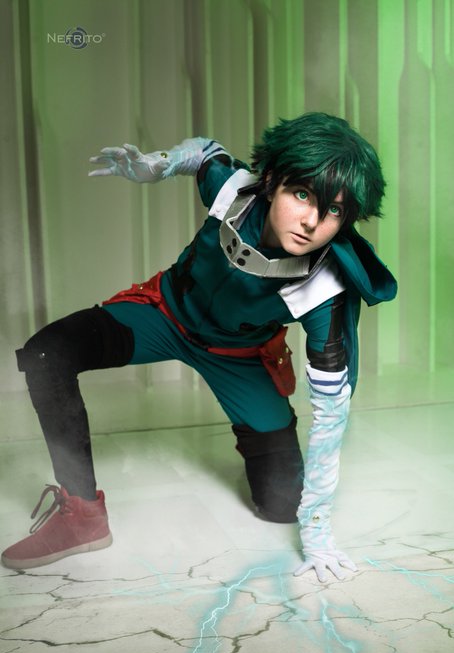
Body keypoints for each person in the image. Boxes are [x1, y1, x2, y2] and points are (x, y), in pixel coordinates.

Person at [1, 112, 397, 582]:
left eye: (333, 211)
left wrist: (316, 530)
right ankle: (82, 516)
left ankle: (275, 471)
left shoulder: (327, 289)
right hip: (165, 315)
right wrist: (162, 162)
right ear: (272, 181)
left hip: (239, 357)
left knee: (281, 506)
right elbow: (206, 152)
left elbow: (332, 412)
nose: (311, 221)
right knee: (47, 354)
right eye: (302, 194)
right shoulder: (235, 192)